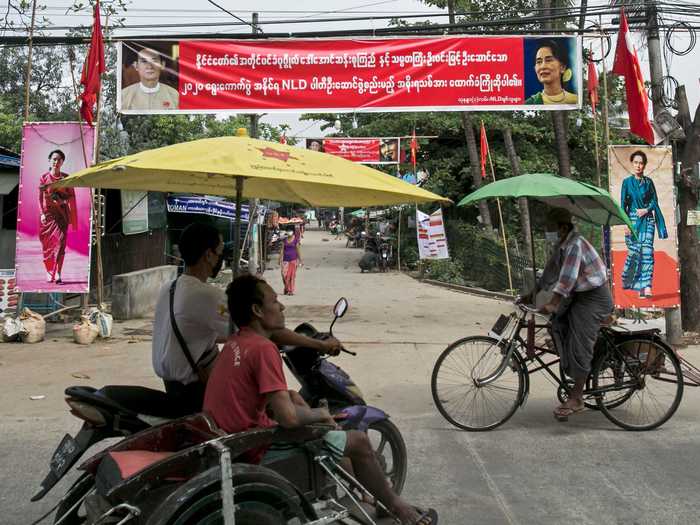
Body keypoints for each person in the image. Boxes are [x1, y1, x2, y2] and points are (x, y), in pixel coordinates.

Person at [203, 274, 437, 525]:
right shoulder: (263, 350)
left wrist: (319, 345)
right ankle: (397, 508)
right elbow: (289, 418)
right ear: (257, 310)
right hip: (255, 447)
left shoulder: (239, 341)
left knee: (296, 398)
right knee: (357, 441)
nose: (282, 306)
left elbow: (281, 336)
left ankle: (366, 494)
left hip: (229, 438)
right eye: (275, 301)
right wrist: (321, 414)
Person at [152, 223, 340, 414]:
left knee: (285, 397)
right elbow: (265, 331)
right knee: (277, 410)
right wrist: (320, 345)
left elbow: (195, 332)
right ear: (208, 256)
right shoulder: (205, 295)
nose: (221, 257)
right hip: (196, 389)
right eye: (219, 252)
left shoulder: (170, 287)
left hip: (174, 384)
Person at [524, 208, 612, 420]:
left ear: (562, 228)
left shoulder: (575, 245)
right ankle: (572, 368)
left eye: (550, 228)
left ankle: (577, 397)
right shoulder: (562, 245)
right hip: (578, 295)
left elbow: (567, 279)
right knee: (558, 324)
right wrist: (532, 293)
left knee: (580, 343)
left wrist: (553, 302)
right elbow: (551, 271)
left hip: (594, 297)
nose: (548, 232)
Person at [620, 150, 668, 298]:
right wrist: (627, 225)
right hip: (633, 220)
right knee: (635, 252)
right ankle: (628, 280)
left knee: (647, 251)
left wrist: (646, 209)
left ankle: (646, 286)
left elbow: (654, 201)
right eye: (636, 162)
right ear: (632, 164)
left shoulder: (649, 182)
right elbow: (623, 205)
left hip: (647, 220)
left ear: (644, 165)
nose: (638, 166)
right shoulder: (627, 183)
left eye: (641, 163)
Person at [38, 149, 77, 284]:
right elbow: (39, 198)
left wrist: (62, 201)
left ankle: (58, 272)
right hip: (48, 216)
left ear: (62, 162)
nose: (56, 162)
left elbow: (71, 197)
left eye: (59, 159)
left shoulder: (66, 178)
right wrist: (42, 214)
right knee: (47, 246)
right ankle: (49, 271)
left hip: (61, 216)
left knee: (60, 245)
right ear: (50, 160)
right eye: (54, 159)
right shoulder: (44, 178)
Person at [524, 40, 578, 105]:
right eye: (539, 62)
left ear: (562, 67)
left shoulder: (575, 101)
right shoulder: (531, 103)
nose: (543, 66)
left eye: (548, 60)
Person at [279, 230, 302, 295]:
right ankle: (286, 288)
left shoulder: (295, 240)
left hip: (293, 260)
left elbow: (298, 250)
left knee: (291, 276)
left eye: (290, 231)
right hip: (285, 260)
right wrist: (279, 259)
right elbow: (282, 250)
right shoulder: (284, 240)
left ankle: (290, 290)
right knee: (284, 275)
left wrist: (300, 260)